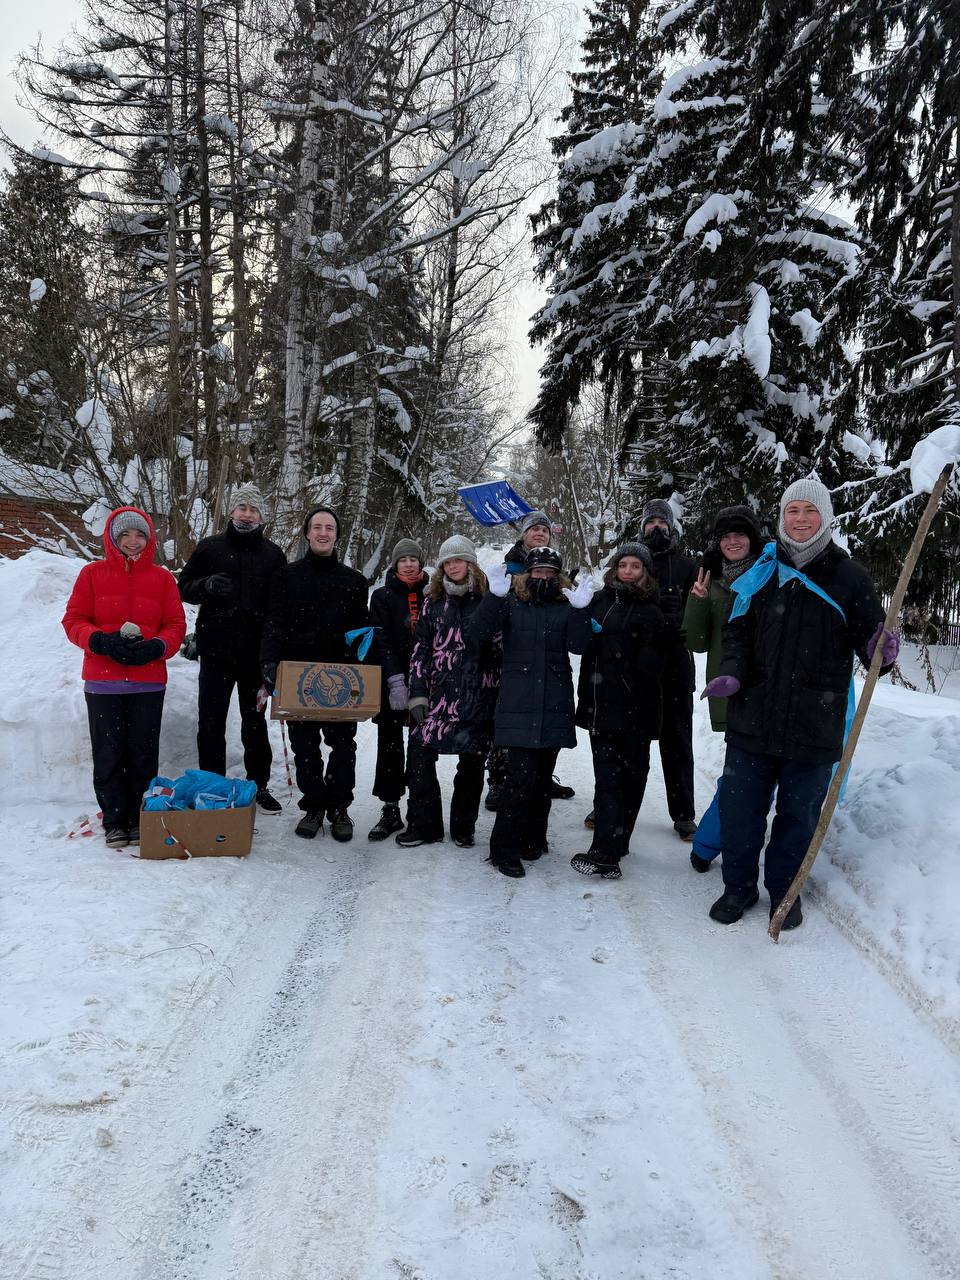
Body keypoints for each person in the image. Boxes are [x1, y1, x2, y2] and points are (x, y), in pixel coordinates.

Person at [702, 478, 898, 929]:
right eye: (793, 510)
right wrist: (732, 671)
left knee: (798, 815)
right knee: (740, 809)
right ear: (782, 517)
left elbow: (871, 644)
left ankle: (784, 893)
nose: (801, 519)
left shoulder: (850, 577)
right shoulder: (762, 570)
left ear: (825, 517)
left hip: (815, 721)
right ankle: (738, 887)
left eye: (810, 511)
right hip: (754, 714)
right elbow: (737, 631)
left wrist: (880, 651)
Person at [62, 507, 187, 848]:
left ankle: (140, 818)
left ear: (149, 539)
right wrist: (99, 641)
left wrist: (157, 647)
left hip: (148, 681)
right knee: (109, 754)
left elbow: (176, 624)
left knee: (143, 754)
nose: (133, 541)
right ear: (112, 538)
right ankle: (115, 820)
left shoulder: (162, 578)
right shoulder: (92, 574)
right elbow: (73, 620)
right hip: (103, 682)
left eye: (140, 534)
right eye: (125, 535)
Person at [471, 547, 593, 878]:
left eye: (550, 572)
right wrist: (494, 598)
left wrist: (581, 611)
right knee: (518, 780)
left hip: (554, 702)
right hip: (518, 701)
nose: (544, 577)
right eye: (538, 571)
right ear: (527, 573)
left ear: (559, 576)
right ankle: (503, 850)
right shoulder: (512, 602)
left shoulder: (565, 604)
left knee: (541, 780)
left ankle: (533, 839)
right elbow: (479, 634)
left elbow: (580, 645)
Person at [260, 506, 370, 842]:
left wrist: (362, 668)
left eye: (329, 528)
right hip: (298, 676)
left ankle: (339, 807)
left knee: (343, 747)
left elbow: (362, 632)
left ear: (337, 535)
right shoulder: (286, 576)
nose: (323, 533)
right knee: (305, 748)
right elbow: (274, 623)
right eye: (317, 527)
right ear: (307, 533)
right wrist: (269, 662)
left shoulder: (354, 581)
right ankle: (314, 807)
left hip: (341, 678)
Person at [178, 486, 287, 812]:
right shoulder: (210, 548)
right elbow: (183, 588)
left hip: (255, 657)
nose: (247, 514)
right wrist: (205, 585)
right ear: (231, 511)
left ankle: (259, 785)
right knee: (210, 722)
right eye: (242, 508)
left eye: (253, 510)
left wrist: (274, 653)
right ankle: (213, 785)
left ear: (262, 516)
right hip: (216, 653)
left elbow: (280, 608)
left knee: (254, 723)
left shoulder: (273, 555)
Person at [573, 543, 669, 878]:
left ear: (645, 572)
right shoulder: (599, 601)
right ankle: (604, 850)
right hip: (601, 703)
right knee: (607, 779)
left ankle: (620, 839)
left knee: (633, 777)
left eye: (635, 566)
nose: (628, 571)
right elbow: (579, 645)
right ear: (614, 568)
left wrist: (655, 641)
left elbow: (653, 667)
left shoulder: (653, 609)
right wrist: (581, 618)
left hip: (638, 708)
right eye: (623, 564)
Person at [399, 536, 498, 849]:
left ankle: (463, 827)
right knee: (419, 758)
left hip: (477, 696)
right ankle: (424, 825)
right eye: (447, 561)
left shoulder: (489, 598)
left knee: (471, 766)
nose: (453, 566)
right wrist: (417, 693)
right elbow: (421, 649)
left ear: (470, 563)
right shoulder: (433, 600)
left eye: (459, 560)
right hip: (437, 696)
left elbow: (500, 648)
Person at [682, 506, 764, 872]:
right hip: (730, 690)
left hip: (767, 688)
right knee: (738, 776)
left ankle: (712, 844)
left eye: (739, 535)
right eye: (725, 536)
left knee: (751, 777)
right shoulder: (711, 581)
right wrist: (697, 602)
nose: (732, 542)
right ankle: (709, 845)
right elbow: (697, 643)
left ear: (752, 538)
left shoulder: (770, 573)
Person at [486, 510, 576, 810]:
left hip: (542, 654)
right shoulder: (510, 565)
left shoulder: (553, 565)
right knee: (508, 722)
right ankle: (499, 778)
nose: (539, 533)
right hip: (507, 653)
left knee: (544, 717)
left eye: (544, 530)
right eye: (533, 529)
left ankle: (541, 777)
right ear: (523, 535)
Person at [366, 538, 429, 840]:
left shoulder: (432, 593)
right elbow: (382, 640)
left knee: (422, 747)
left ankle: (420, 808)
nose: (408, 564)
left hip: (426, 681)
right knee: (390, 744)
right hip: (391, 680)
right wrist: (395, 679)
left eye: (413, 559)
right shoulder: (382, 596)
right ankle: (390, 808)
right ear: (395, 564)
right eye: (402, 559)